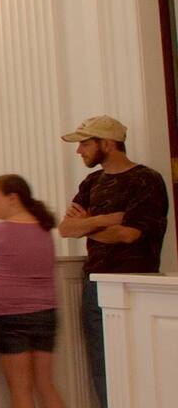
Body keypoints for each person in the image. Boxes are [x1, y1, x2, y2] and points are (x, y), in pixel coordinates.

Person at [57, 115, 169, 408]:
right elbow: (66, 228)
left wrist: (87, 225)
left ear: (107, 144)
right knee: (103, 363)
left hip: (137, 282)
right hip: (94, 281)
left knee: (142, 362)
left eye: (85, 144)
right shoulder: (91, 181)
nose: (79, 151)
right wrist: (106, 219)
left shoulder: (146, 180)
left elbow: (129, 234)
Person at [0, 174, 65, 408]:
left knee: (20, 388)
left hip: (10, 315)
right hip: (46, 313)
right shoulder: (44, 230)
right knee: (45, 383)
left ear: (12, 198)